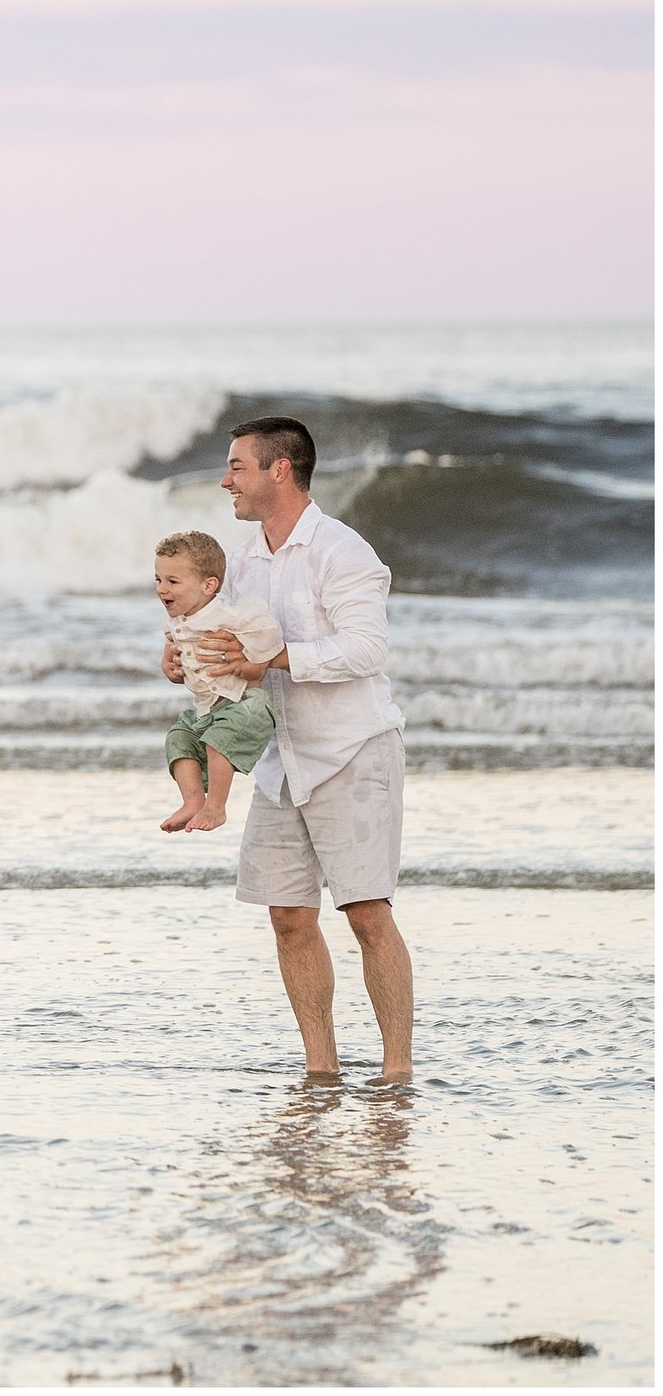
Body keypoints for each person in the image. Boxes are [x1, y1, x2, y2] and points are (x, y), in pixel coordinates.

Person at [173, 416, 414, 1083]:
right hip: (283, 760)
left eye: (237, 467)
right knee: (287, 917)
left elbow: (367, 649)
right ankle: (322, 1071)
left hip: (354, 751)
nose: (226, 481)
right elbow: (231, 643)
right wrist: (189, 660)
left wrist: (275, 658)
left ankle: (397, 1072)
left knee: (367, 914)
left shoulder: (343, 552)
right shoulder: (242, 561)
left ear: (280, 470)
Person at [153, 530, 282, 833]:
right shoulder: (176, 620)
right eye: (158, 579)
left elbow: (266, 637)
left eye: (173, 581)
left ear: (208, 585)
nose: (162, 589)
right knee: (177, 739)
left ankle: (217, 807)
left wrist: (253, 666)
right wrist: (169, 663)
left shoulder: (228, 616)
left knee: (216, 740)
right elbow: (173, 643)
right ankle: (193, 800)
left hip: (244, 704)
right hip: (206, 710)